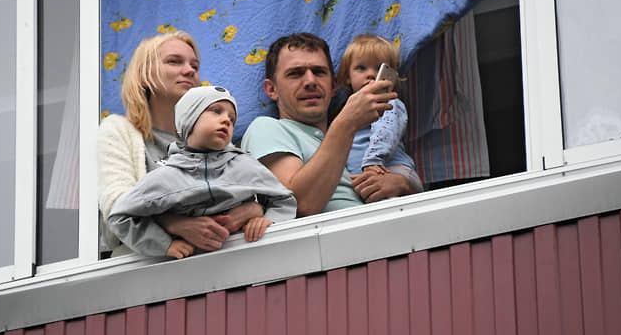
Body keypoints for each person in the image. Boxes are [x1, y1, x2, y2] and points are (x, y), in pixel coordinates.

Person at [97, 32, 263, 256]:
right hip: (145, 268)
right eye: (174, 61)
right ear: (143, 75)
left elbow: (249, 193)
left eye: (195, 66)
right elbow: (116, 204)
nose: (190, 70)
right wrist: (174, 224)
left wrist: (253, 209)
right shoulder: (119, 130)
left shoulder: (211, 137)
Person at [241, 32, 418, 217]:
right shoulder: (266, 128)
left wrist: (403, 185)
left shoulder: (356, 139)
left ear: (334, 86)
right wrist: (347, 122)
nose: (310, 81)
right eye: (295, 74)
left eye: (319, 72)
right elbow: (298, 206)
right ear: (271, 89)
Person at [108, 86, 296, 258]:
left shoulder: (246, 165)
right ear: (189, 120)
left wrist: (267, 219)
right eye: (216, 111)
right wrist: (165, 244)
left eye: (232, 119)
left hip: (246, 259)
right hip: (191, 271)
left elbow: (284, 200)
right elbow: (120, 216)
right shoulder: (165, 176)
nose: (226, 120)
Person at [338, 34, 424, 193]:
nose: (370, 74)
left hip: (392, 170)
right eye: (361, 68)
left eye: (379, 68)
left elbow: (386, 132)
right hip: (363, 177)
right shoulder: (344, 111)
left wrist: (373, 160)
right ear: (347, 77)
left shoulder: (388, 103)